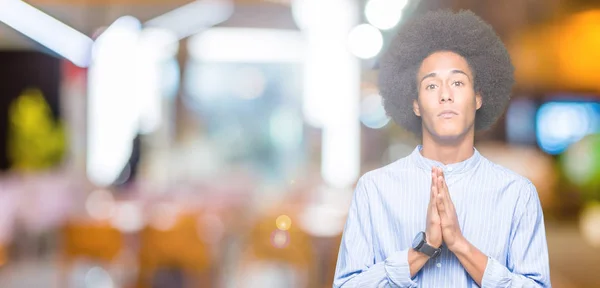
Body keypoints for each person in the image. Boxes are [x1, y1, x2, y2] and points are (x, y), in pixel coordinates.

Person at [333, 9, 551, 287]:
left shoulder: (517, 194)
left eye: (458, 82)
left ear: (478, 98)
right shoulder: (374, 190)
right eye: (431, 84)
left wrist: (460, 245)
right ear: (415, 104)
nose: (445, 94)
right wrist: (423, 250)